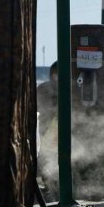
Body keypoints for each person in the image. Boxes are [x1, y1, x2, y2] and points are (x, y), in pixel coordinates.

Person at [36, 62, 59, 194]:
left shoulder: (42, 87)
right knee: (50, 153)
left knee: (47, 153)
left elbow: (37, 106)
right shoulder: (48, 88)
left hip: (46, 125)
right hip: (50, 125)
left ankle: (49, 181)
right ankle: (50, 182)